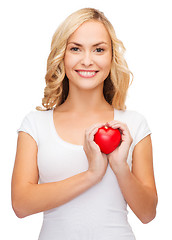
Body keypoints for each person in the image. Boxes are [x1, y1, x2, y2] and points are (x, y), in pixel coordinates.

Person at [11, 8, 158, 240]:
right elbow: (21, 204)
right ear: (62, 55)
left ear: (111, 57)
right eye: (75, 49)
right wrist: (91, 174)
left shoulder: (134, 125)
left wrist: (120, 167)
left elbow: (148, 213)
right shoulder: (35, 124)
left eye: (99, 49)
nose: (87, 60)